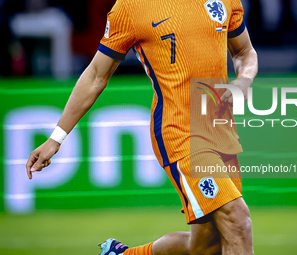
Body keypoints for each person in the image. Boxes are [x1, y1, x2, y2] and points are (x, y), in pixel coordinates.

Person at [26, 0, 258, 254]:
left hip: (220, 130)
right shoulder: (131, 7)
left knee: (207, 245)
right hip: (180, 132)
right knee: (237, 220)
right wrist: (56, 138)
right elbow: (95, 75)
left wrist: (245, 79)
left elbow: (244, 52)